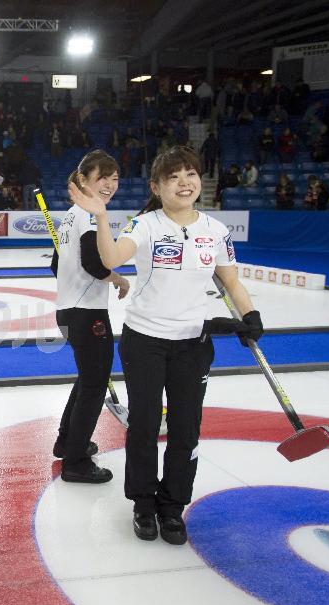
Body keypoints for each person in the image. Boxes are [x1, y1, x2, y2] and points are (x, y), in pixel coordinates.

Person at [78, 146, 262, 546]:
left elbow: (231, 282)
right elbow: (110, 258)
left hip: (193, 345)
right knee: (143, 425)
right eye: (174, 177)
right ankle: (143, 503)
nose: (185, 183)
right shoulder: (144, 225)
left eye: (191, 174)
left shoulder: (215, 231)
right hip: (144, 341)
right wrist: (102, 216)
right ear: (157, 187)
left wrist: (250, 315)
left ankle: (172, 506)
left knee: (186, 430)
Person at [49, 150, 131, 483]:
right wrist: (118, 278)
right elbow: (95, 265)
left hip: (67, 310)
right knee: (95, 383)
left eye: (115, 179)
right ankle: (76, 461)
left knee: (87, 378)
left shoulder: (70, 215)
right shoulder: (88, 216)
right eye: (103, 178)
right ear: (83, 180)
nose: (110, 185)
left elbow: (56, 265)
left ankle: (67, 441)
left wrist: (74, 283)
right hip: (88, 314)